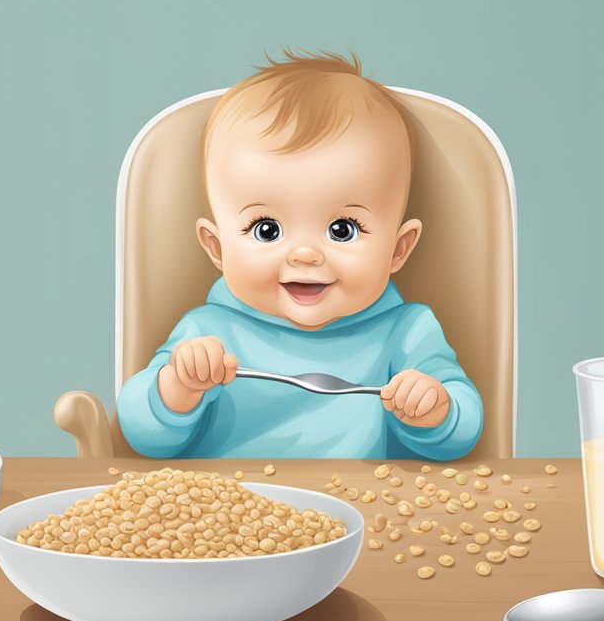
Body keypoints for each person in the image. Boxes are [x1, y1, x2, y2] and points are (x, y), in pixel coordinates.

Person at [116, 50, 482, 460]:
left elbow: (464, 431)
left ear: (398, 249)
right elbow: (140, 432)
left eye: (342, 230)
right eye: (266, 230)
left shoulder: (407, 333)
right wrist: (178, 389)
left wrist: (436, 410)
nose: (305, 254)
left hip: (360, 516)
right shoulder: (208, 332)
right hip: (230, 518)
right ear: (217, 248)